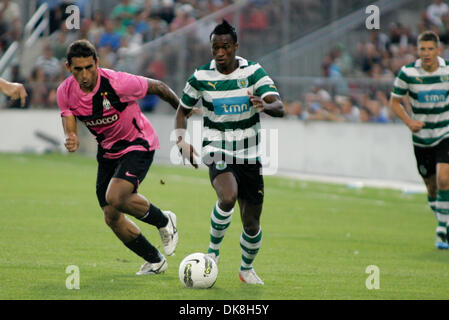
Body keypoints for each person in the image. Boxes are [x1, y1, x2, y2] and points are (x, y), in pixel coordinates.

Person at [175, 20, 284, 285]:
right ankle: (212, 252)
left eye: (225, 47)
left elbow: (279, 106)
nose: (220, 53)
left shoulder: (254, 72)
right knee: (228, 196)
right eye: (215, 48)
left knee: (251, 224)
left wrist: (265, 106)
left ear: (236, 46)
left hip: (250, 154)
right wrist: (181, 140)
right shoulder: (200, 77)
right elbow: (182, 111)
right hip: (216, 147)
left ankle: (246, 269)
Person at [57, 39, 179, 274]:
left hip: (138, 143)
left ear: (97, 63)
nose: (84, 75)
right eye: (77, 70)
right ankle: (155, 261)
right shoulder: (65, 91)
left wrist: (183, 110)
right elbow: (68, 115)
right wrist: (70, 135)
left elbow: (160, 87)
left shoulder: (118, 82)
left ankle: (164, 221)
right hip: (108, 152)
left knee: (116, 196)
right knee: (111, 216)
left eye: (89, 68)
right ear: (68, 68)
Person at [390, 31, 449, 249]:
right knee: (432, 188)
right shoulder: (408, 73)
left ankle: (442, 232)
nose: (426, 53)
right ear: (418, 51)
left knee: (445, 180)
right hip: (421, 138)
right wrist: (409, 122)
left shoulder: (447, 71)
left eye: (430, 49)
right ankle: (445, 220)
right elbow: (395, 102)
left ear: (438, 50)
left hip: (444, 132)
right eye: (422, 49)